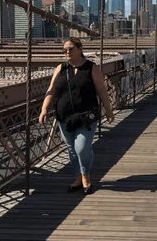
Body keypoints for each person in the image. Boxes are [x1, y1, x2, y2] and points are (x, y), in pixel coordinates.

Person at [39, 37, 115, 195]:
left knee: (81, 147)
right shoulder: (60, 68)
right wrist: (44, 109)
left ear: (80, 49)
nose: (67, 52)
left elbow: (101, 90)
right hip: (64, 117)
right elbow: (52, 90)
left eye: (71, 49)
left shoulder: (91, 68)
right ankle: (78, 177)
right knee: (71, 149)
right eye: (65, 50)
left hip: (86, 116)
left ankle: (86, 176)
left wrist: (108, 110)